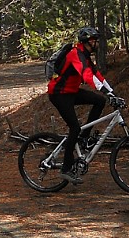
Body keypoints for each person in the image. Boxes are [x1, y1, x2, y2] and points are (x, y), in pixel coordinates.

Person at [47, 27, 118, 184]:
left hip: (71, 91)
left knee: (99, 101)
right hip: (58, 94)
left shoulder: (85, 55)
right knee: (74, 128)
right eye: (95, 40)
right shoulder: (75, 54)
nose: (97, 43)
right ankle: (66, 169)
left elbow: (96, 74)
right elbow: (87, 76)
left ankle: (83, 139)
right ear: (88, 41)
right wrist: (106, 92)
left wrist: (112, 93)